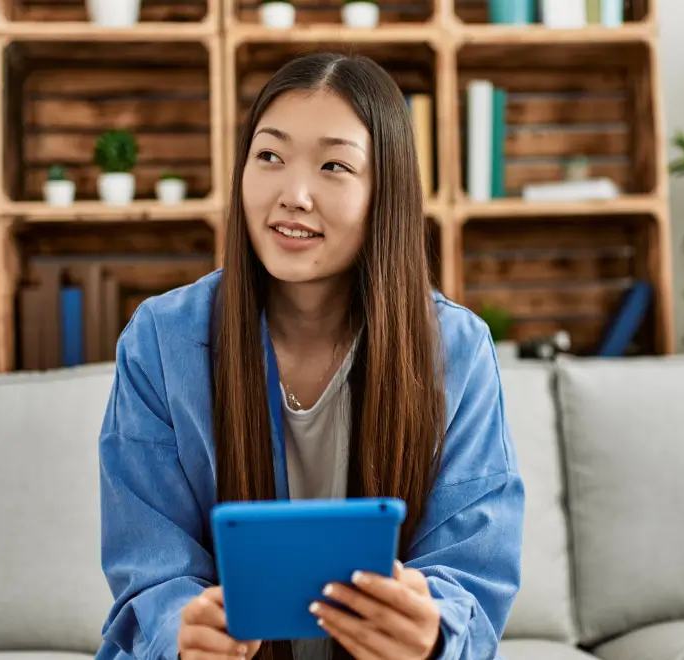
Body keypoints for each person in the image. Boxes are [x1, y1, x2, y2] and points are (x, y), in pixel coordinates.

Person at [96, 52, 525, 660]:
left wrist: (429, 630)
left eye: (334, 165)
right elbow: (149, 568)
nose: (293, 195)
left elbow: (471, 573)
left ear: (386, 194)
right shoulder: (161, 341)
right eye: (269, 156)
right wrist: (183, 631)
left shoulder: (455, 349)